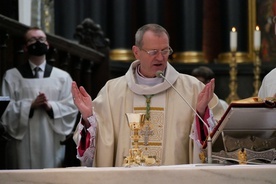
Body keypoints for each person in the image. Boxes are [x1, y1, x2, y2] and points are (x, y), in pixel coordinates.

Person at [72, 24, 225, 167]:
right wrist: (87, 117)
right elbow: (93, 147)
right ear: (136, 52)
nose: (160, 58)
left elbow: (218, 136)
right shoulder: (113, 91)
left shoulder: (191, 89)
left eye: (165, 51)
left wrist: (201, 113)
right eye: (153, 52)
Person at [0, 27, 79, 169]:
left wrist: (51, 107)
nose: (38, 42)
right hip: (21, 143)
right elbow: (4, 106)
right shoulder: (11, 76)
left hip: (50, 141)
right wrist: (29, 105)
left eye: (41, 39)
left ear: (47, 45)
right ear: (25, 47)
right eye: (32, 40)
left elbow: (72, 106)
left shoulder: (62, 77)